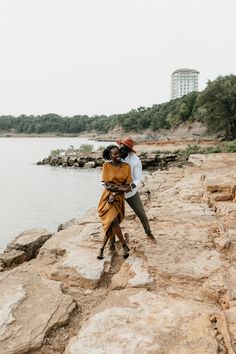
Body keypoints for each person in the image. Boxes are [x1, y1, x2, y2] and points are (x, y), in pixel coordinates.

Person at [116, 137, 157, 243]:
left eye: (126, 148)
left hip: (130, 191)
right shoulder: (113, 155)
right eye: (122, 147)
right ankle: (112, 241)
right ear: (119, 145)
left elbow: (138, 178)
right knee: (113, 217)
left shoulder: (135, 160)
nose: (122, 149)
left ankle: (148, 233)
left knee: (141, 213)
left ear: (130, 151)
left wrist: (131, 186)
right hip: (115, 191)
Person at [97, 145, 132, 260]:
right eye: (114, 154)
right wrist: (119, 189)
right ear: (110, 155)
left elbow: (127, 185)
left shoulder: (126, 166)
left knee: (113, 222)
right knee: (112, 222)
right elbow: (107, 185)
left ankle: (102, 248)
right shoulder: (106, 166)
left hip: (118, 198)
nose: (117, 156)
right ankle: (123, 245)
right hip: (107, 197)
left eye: (118, 153)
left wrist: (117, 191)